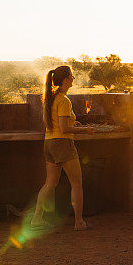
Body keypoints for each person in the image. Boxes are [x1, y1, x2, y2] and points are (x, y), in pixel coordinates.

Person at [31, 65, 94, 231]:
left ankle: (36, 219)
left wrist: (74, 123)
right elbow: (64, 129)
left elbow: (61, 123)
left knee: (50, 183)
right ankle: (79, 222)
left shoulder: (52, 98)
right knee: (77, 183)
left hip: (49, 143)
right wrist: (85, 130)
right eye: (72, 76)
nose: (73, 79)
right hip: (62, 144)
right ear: (66, 80)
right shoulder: (64, 100)